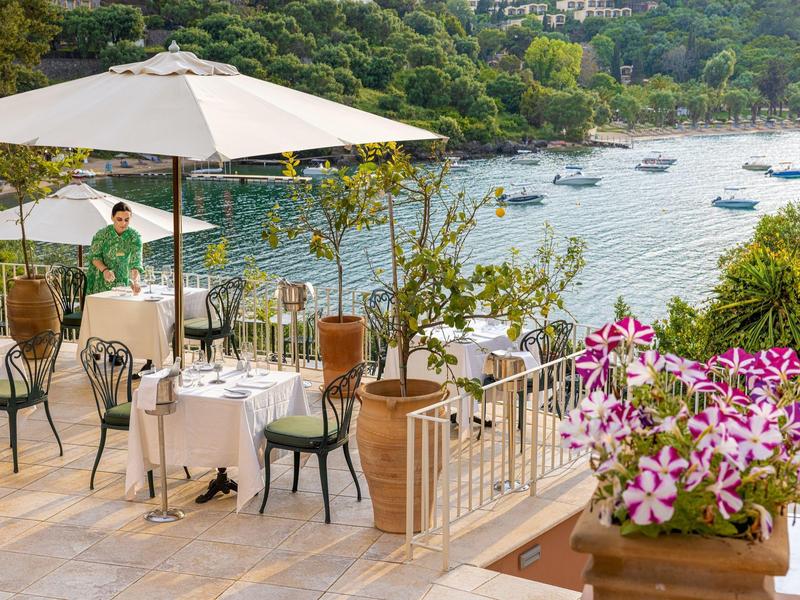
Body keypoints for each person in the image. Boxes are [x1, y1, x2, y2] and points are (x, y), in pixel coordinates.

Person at [86, 201, 143, 295]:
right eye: (119, 219)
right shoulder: (102, 234)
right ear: (112, 217)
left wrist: (136, 282)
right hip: (101, 281)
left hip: (124, 284)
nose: (123, 223)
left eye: (127, 220)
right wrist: (105, 270)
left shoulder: (135, 237)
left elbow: (136, 264)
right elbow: (95, 257)